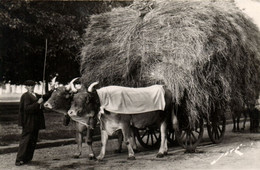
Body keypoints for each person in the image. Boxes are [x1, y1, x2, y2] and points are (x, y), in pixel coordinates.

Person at [15, 80, 53, 166]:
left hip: (36, 122)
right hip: (28, 122)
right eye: (29, 86)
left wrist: (51, 90)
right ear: (26, 87)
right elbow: (27, 109)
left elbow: (45, 97)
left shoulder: (35, 95)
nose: (31, 87)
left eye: (32, 86)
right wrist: (37, 103)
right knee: (25, 141)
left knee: (33, 141)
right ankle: (19, 159)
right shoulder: (25, 96)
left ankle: (27, 158)